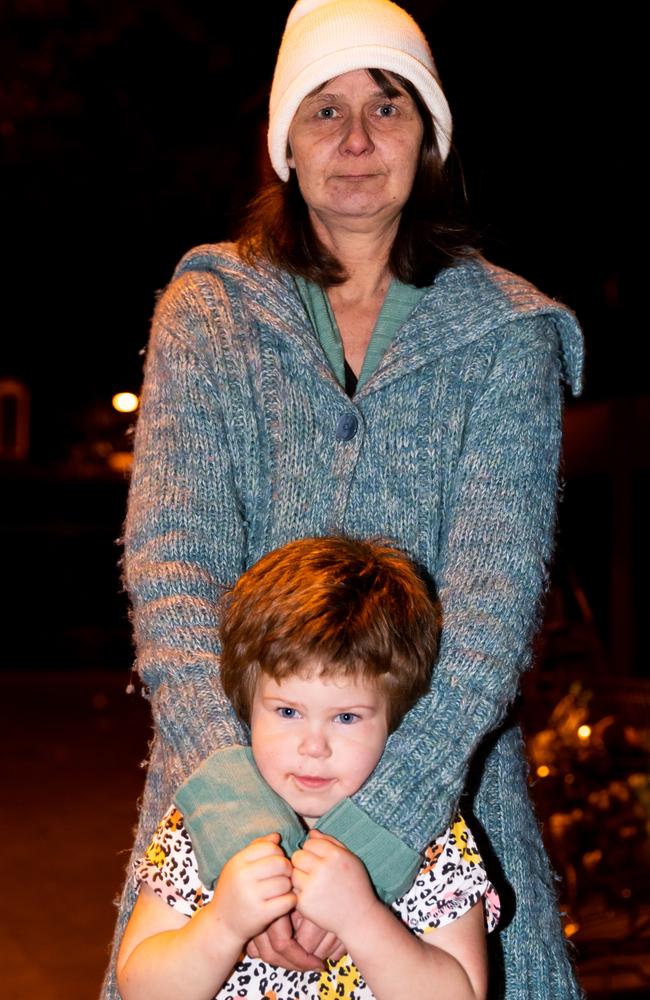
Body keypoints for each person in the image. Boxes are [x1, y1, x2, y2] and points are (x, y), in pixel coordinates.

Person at [102, 1, 584, 997]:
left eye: (387, 105)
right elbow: (172, 566)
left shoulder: (506, 332)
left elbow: (492, 607)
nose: (356, 138)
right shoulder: (211, 310)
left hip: (439, 810)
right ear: (284, 142)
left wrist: (379, 831)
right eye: (322, 110)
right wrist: (244, 823)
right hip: (226, 803)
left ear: (429, 135)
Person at [116, 536, 500, 1000]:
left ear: (396, 720)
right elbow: (141, 988)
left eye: (346, 718)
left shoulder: (431, 839)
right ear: (245, 706)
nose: (314, 746)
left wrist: (363, 918)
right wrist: (221, 924)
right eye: (288, 712)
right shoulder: (203, 820)